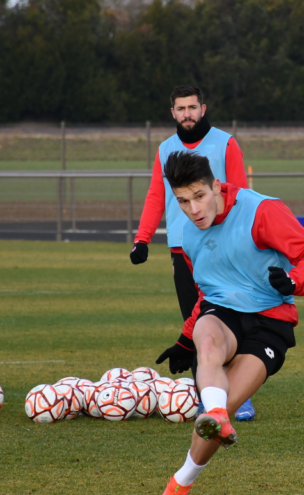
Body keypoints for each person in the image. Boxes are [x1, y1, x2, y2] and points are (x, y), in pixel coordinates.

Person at [147, 151, 304, 495]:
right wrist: (185, 340)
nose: (193, 209)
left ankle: (179, 484)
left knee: (219, 415)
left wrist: (295, 281)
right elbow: (205, 291)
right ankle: (211, 418)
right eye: (182, 201)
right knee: (206, 341)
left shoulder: (261, 211)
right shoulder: (184, 234)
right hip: (222, 314)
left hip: (270, 322)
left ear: (217, 186)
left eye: (199, 196)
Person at [129, 85, 257, 421]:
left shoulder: (225, 143)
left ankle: (239, 396)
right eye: (180, 108)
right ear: (172, 113)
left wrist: (244, 237)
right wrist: (142, 239)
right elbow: (157, 196)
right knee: (198, 323)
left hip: (224, 245)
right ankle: (209, 397)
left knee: (230, 319)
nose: (187, 114)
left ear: (203, 108)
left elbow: (241, 192)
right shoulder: (165, 150)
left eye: (192, 107)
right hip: (182, 250)